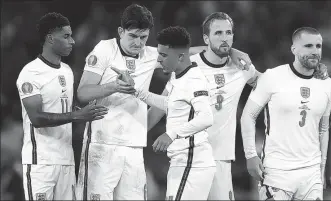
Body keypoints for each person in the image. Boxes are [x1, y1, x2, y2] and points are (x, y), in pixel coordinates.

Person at [75, 4, 251, 200]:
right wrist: (113, 86)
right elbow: (82, 93)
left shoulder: (151, 55)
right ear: (120, 31)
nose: (138, 43)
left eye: (143, 37)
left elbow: (194, 51)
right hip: (102, 144)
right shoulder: (105, 49)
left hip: (134, 147)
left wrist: (232, 52)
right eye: (133, 36)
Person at [146, 12, 330, 200]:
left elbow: (275, 84)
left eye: (228, 33)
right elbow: (163, 105)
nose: (225, 38)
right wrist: (136, 136)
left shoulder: (242, 67)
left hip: (222, 159)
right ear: (205, 38)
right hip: (188, 157)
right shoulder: (188, 64)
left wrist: (311, 72)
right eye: (218, 33)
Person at [16, 12, 108, 200]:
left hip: (66, 160)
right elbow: (37, 118)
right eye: (66, 36)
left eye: (71, 35)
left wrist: (88, 111)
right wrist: (78, 116)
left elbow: (66, 109)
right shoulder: (31, 73)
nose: (72, 41)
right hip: (40, 162)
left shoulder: (67, 71)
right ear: (50, 38)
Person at [241, 27, 331, 200]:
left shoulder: (327, 84)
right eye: (308, 46)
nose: (315, 51)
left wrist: (323, 169)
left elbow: (324, 129)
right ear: (294, 49)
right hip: (276, 173)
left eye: (318, 46)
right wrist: (251, 155)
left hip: (311, 174)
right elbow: (248, 116)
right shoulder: (272, 77)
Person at [132, 26, 216, 200]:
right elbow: (170, 104)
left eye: (163, 55)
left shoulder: (194, 80)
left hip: (193, 162)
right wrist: (134, 90)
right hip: (182, 161)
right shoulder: (177, 76)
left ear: (180, 57)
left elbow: (206, 117)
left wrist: (170, 134)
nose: (159, 60)